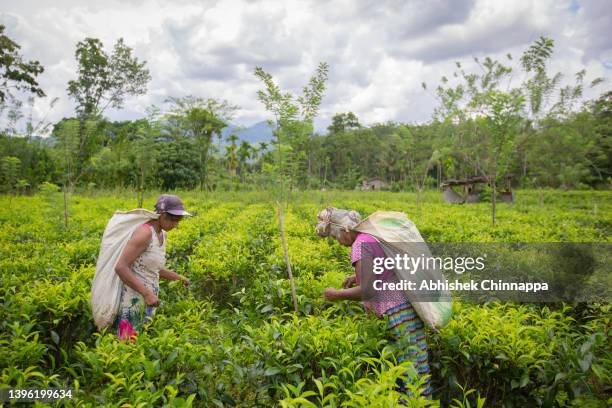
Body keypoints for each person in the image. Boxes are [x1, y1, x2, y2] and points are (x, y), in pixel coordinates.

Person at [316, 207, 433, 399]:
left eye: (336, 237)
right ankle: (425, 401)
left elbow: (368, 290)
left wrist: (336, 294)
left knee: (406, 369)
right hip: (409, 305)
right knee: (419, 363)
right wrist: (357, 276)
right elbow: (383, 267)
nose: (338, 242)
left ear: (345, 230)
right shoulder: (372, 237)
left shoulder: (359, 245)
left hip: (395, 310)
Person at [114, 194, 191, 340]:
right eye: (174, 220)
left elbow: (153, 268)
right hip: (133, 301)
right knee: (126, 345)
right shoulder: (145, 232)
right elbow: (121, 267)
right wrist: (146, 293)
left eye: (179, 220)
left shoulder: (162, 234)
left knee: (142, 342)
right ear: (162, 216)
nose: (176, 225)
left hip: (149, 299)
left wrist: (178, 278)